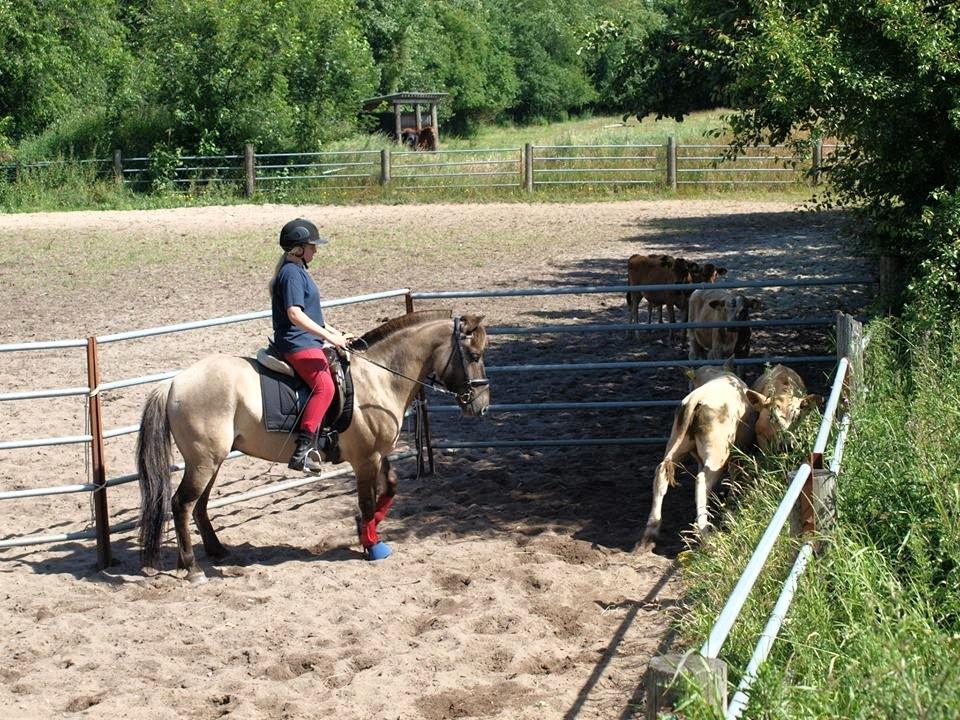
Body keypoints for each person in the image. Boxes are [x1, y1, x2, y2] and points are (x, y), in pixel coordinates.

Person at [270, 217, 351, 472]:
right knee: (324, 386)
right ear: (299, 248)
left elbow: (313, 316)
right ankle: (302, 451)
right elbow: (295, 314)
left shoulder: (297, 271)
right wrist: (329, 338)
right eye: (312, 246)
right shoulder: (291, 273)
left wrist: (337, 334)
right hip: (297, 342)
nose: (315, 250)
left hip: (306, 338)